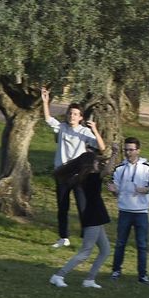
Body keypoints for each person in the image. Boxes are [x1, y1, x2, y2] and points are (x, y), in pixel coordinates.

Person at [41, 86, 102, 249]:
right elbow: (48, 119)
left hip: (79, 175)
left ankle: (86, 238)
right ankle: (63, 237)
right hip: (62, 174)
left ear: (81, 117)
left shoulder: (84, 132)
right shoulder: (61, 128)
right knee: (63, 207)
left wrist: (95, 129)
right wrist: (45, 101)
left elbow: (101, 147)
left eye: (75, 114)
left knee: (83, 207)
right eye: (70, 113)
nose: (71, 116)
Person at [49, 151, 112, 289]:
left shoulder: (86, 178)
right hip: (93, 218)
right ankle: (58, 276)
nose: (98, 164)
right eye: (96, 162)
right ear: (90, 165)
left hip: (96, 218)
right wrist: (114, 153)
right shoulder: (91, 178)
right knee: (85, 252)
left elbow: (104, 169)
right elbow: (107, 170)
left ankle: (89, 279)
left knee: (105, 250)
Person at [108, 136, 149, 283]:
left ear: (138, 150)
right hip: (125, 210)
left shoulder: (147, 166)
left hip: (141, 211)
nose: (128, 153)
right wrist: (113, 190)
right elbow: (115, 187)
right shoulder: (120, 168)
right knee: (120, 242)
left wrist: (145, 189)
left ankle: (143, 274)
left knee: (141, 244)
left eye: (131, 150)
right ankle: (116, 270)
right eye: (126, 150)